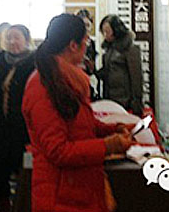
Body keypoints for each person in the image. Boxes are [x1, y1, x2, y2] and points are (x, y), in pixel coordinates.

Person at [23, 14, 134, 212]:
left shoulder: (66, 78)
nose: (86, 47)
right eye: (85, 41)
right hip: (59, 195)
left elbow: (79, 124)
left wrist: (113, 130)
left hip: (79, 190)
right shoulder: (42, 85)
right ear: (73, 45)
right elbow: (58, 151)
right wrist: (108, 145)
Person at [0, 24, 35, 212]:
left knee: (25, 174)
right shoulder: (2, 59)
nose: (12, 42)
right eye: (9, 38)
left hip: (23, 127)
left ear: (26, 40)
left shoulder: (34, 62)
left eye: (17, 38)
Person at [96, 15, 143, 115]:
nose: (105, 35)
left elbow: (136, 77)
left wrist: (136, 103)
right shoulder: (110, 48)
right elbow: (108, 71)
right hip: (110, 98)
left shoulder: (130, 48)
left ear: (116, 30)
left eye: (107, 32)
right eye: (103, 32)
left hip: (124, 100)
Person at [76, 9, 99, 99]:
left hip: (88, 79)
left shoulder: (91, 43)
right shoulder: (72, 42)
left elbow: (93, 67)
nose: (86, 28)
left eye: (88, 25)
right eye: (83, 25)